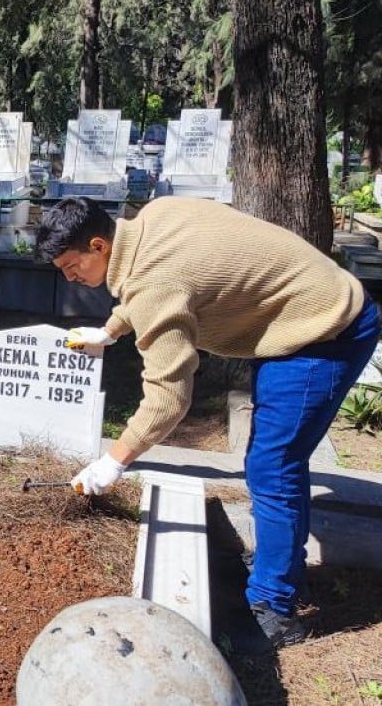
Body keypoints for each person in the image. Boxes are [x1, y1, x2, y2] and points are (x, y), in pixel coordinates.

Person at [37, 196, 378, 649]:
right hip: (301, 309)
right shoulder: (150, 221)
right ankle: (278, 566)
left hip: (324, 330)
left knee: (273, 467)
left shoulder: (153, 282)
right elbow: (154, 282)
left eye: (70, 265)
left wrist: (114, 461)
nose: (70, 276)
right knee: (272, 464)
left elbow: (168, 399)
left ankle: (276, 609)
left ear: (98, 245)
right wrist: (112, 329)